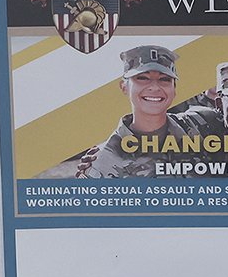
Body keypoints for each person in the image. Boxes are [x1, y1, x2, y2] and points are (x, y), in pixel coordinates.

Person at [81, 45, 201, 178]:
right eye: (143, 78)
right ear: (124, 87)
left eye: (164, 79)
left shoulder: (199, 125)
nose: (155, 87)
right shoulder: (106, 160)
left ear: (174, 89)